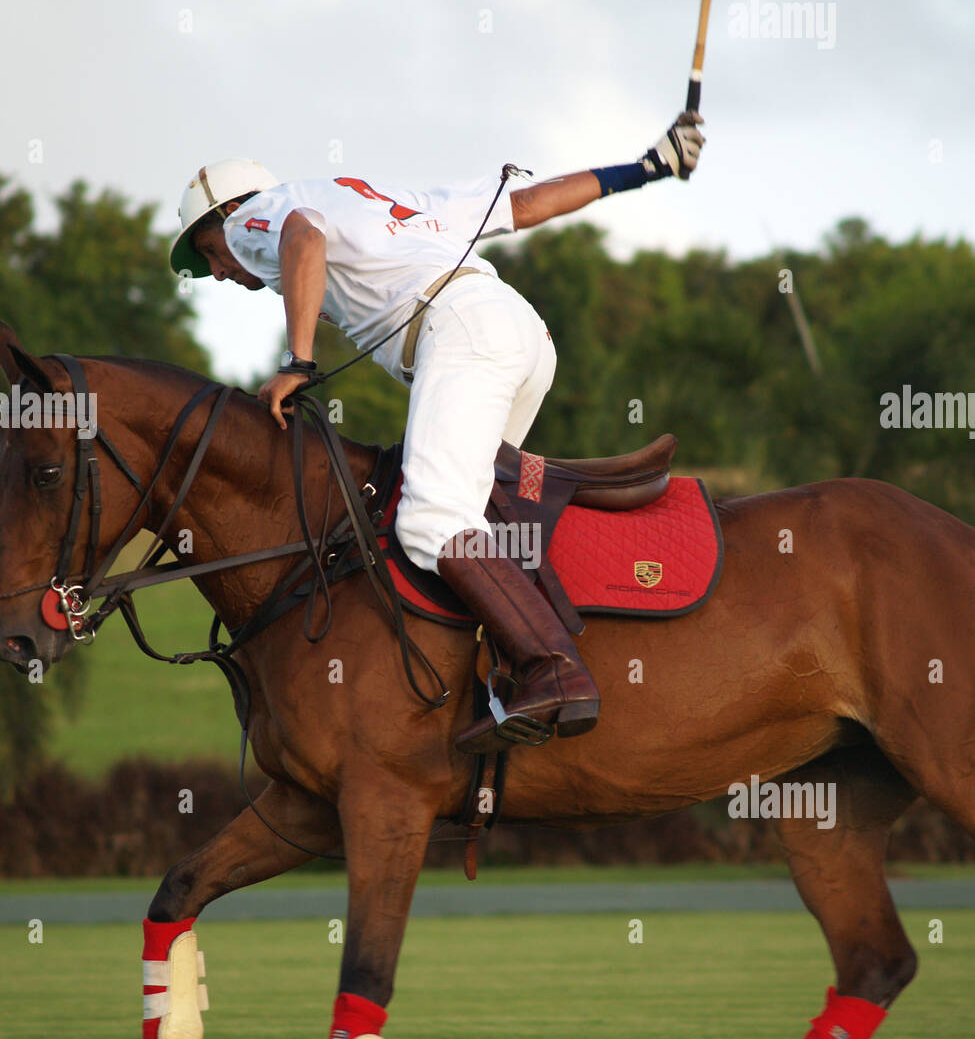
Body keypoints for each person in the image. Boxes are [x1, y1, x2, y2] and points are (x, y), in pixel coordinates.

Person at [169, 113, 704, 751]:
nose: (221, 270)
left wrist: (298, 362)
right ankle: (504, 673)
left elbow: (301, 240)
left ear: (227, 211)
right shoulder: (386, 202)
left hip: (464, 335)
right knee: (477, 511)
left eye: (208, 253)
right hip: (523, 331)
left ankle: (552, 671)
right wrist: (649, 167)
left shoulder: (250, 216)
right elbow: (528, 204)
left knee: (429, 521)